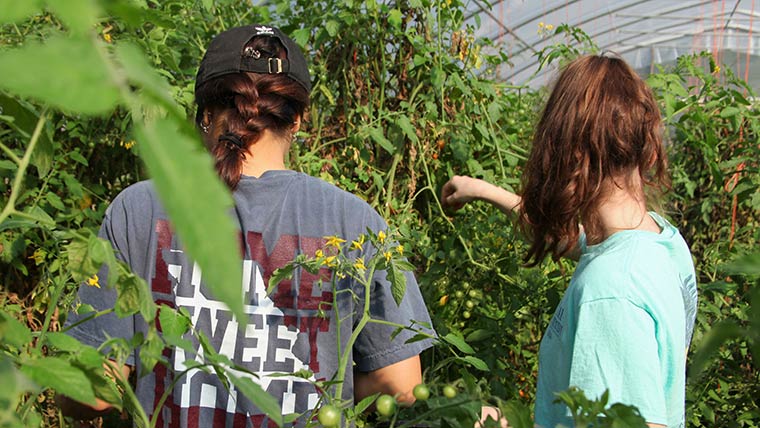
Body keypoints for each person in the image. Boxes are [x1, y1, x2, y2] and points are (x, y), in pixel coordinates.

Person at [65, 24, 434, 427]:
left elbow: (90, 394)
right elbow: (400, 384)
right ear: (297, 121)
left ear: (205, 113)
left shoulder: (138, 210)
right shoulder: (355, 222)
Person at [442, 54, 697, 428]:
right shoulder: (659, 242)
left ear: (567, 154)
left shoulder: (611, 292)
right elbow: (575, 243)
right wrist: (481, 190)